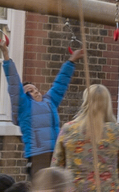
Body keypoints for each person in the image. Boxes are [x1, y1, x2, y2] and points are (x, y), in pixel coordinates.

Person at [8, 42, 79, 179]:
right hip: (38, 156)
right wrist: (6, 56)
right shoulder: (24, 107)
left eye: (35, 89)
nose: (36, 92)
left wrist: (72, 61)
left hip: (56, 154)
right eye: (30, 91)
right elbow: (13, 84)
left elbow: (60, 83)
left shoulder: (49, 101)